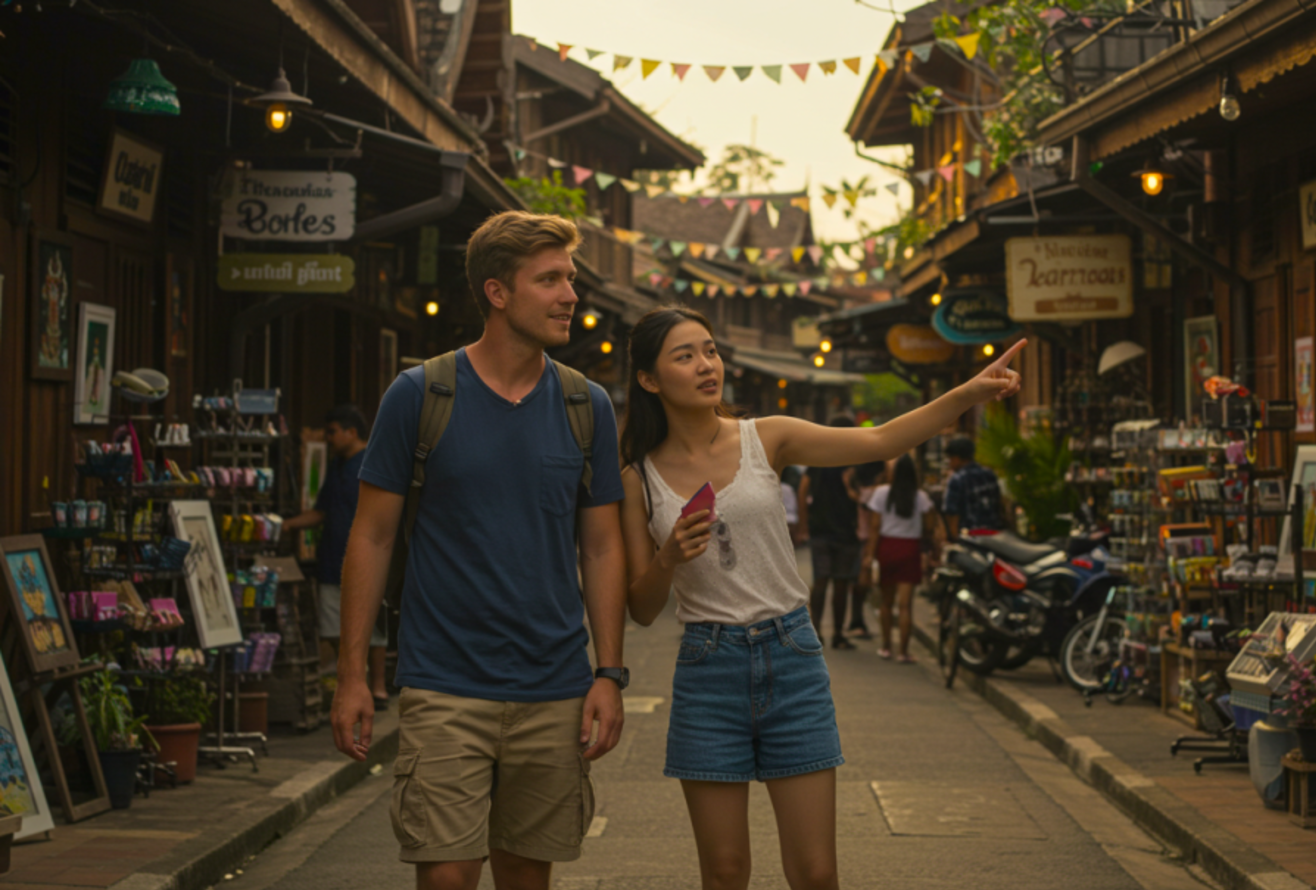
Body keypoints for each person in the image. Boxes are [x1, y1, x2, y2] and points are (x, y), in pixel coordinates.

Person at [617, 307, 1026, 890]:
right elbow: (641, 606)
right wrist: (669, 556)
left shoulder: (768, 437)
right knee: (725, 872)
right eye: (685, 356)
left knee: (815, 873)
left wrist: (968, 392)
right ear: (649, 379)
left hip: (791, 657)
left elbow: (881, 439)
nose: (707, 365)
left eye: (710, 349)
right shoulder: (638, 478)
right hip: (708, 669)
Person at [330, 211, 628, 890]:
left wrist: (609, 672)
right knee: (447, 877)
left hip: (554, 685)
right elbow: (371, 536)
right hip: (442, 681)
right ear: (498, 292)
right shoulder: (421, 395)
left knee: (527, 877)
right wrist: (352, 673)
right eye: (549, 279)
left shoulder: (588, 406)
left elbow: (603, 546)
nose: (570, 295)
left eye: (570, 279)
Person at [282, 405, 389, 709]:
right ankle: (354, 681)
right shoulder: (337, 466)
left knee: (375, 627)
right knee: (331, 625)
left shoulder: (375, 460)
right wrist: (287, 524)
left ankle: (378, 687)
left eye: (332, 432)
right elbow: (320, 511)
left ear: (350, 432)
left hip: (370, 559)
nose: (327, 438)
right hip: (332, 557)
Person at [862, 454, 937, 664]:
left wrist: (869, 555)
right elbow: (929, 527)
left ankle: (886, 646)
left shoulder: (881, 493)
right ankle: (903, 651)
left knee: (887, 603)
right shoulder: (920, 496)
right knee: (906, 606)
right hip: (910, 549)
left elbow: (875, 527)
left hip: (887, 547)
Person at [796, 418, 859, 650]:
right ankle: (838, 634)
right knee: (840, 584)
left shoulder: (819, 458)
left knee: (821, 581)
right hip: (846, 532)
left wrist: (804, 524)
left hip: (820, 529)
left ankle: (817, 631)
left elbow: (803, 491)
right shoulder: (854, 459)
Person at [847, 460, 887, 640]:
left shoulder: (858, 491)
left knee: (858, 582)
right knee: (861, 583)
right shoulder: (877, 493)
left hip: (858, 538)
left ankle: (857, 620)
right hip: (869, 541)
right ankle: (857, 620)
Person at [941, 434, 1006, 537]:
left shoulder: (956, 479)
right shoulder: (989, 474)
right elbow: (1001, 505)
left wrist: (954, 538)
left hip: (971, 537)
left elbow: (952, 514)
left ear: (957, 458)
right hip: (995, 535)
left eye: (950, 458)